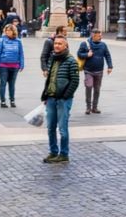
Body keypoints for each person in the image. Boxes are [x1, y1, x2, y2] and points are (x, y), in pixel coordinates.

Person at [41, 34, 79, 164]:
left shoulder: (71, 60)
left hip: (63, 100)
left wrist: (65, 96)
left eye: (59, 44)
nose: (57, 45)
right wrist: (46, 95)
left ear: (65, 45)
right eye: (55, 43)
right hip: (51, 98)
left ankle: (64, 154)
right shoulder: (52, 58)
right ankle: (53, 152)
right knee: (50, 127)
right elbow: (50, 78)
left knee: (62, 129)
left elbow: (75, 81)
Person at [76, 29, 113, 115]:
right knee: (88, 87)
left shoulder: (103, 45)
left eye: (100, 35)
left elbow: (107, 55)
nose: (101, 37)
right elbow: (79, 54)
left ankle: (94, 107)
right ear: (93, 35)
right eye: (99, 35)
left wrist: (110, 66)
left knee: (97, 89)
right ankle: (88, 107)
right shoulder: (85, 44)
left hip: (99, 71)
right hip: (88, 70)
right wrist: (86, 55)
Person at [0, 23, 25, 108]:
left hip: (14, 66)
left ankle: (12, 100)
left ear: (13, 31)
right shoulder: (1, 40)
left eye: (9, 30)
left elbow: (21, 53)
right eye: (6, 30)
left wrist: (22, 64)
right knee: (3, 83)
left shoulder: (18, 41)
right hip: (3, 65)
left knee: (12, 84)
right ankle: (3, 101)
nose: (8, 32)